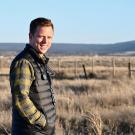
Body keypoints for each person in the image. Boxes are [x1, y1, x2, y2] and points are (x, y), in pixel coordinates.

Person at [10, 17, 56, 135]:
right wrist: (42, 122)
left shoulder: (39, 61)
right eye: (41, 36)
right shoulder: (25, 62)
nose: (45, 41)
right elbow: (21, 98)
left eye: (49, 37)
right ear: (30, 36)